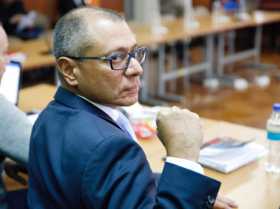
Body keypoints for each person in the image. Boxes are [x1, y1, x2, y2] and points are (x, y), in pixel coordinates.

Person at [27, 7, 237, 209]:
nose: (137, 68)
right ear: (70, 71)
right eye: (116, 58)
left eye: (134, 53)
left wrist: (189, 189)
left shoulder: (49, 116)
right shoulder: (108, 146)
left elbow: (99, 182)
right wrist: (184, 158)